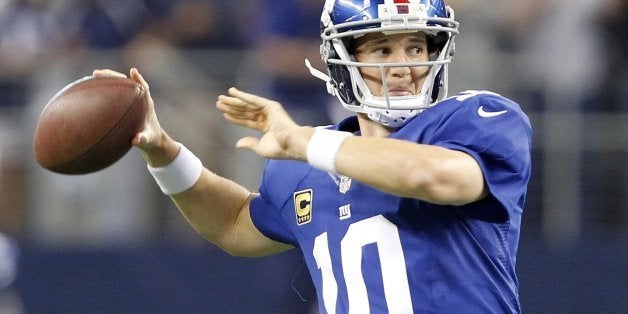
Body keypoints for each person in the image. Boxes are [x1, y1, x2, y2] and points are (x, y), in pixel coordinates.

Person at [95, 0, 532, 312]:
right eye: (382, 49)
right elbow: (233, 225)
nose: (403, 66)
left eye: (416, 48)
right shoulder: (307, 163)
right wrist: (164, 152)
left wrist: (308, 143)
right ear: (343, 63)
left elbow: (437, 178)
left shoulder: (476, 118)